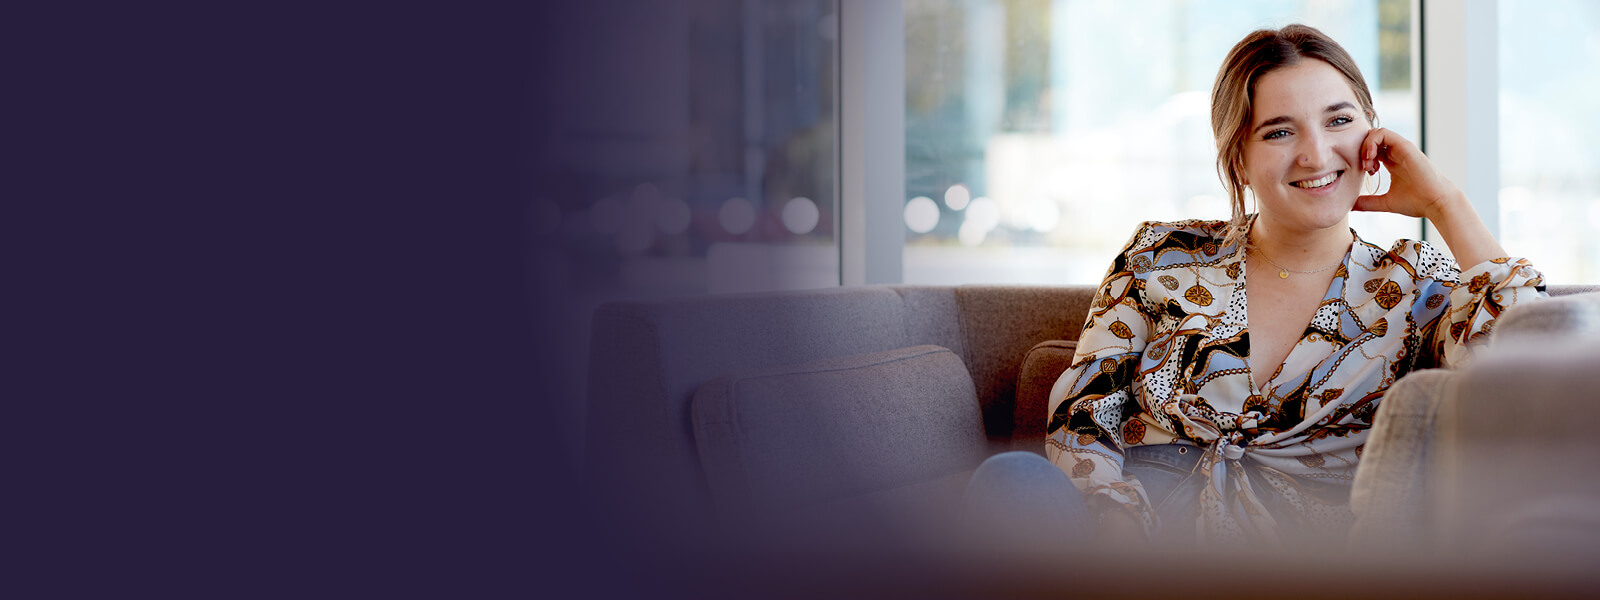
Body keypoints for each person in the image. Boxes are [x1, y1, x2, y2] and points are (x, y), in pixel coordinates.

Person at [965, 24, 1545, 549]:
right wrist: (1117, 530)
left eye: (1340, 120)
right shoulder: (1163, 254)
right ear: (1238, 157)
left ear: (1374, 136)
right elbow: (1083, 415)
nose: (1317, 153)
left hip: (1304, 564)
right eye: (1278, 132)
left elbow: (1538, 375)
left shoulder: (1418, 287)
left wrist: (1445, 203)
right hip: (1133, 551)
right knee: (1010, 480)